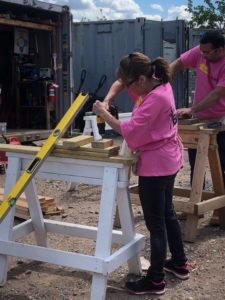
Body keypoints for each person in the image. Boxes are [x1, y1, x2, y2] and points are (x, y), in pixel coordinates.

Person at [93, 52, 189, 296]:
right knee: (167, 214)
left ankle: (155, 280)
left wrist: (104, 114)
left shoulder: (154, 100)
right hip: (168, 159)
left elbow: (128, 132)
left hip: (157, 164)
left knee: (156, 224)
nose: (126, 88)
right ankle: (179, 262)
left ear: (141, 80)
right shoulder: (159, 82)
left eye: (129, 84)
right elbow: (120, 81)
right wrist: (107, 100)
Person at [170, 31, 225, 185]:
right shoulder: (202, 52)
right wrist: (167, 74)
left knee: (222, 164)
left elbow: (217, 94)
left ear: (220, 50)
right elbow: (179, 62)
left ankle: (221, 206)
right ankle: (196, 198)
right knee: (196, 163)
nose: (203, 55)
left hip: (222, 118)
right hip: (200, 117)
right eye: (201, 51)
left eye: (207, 52)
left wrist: (192, 110)